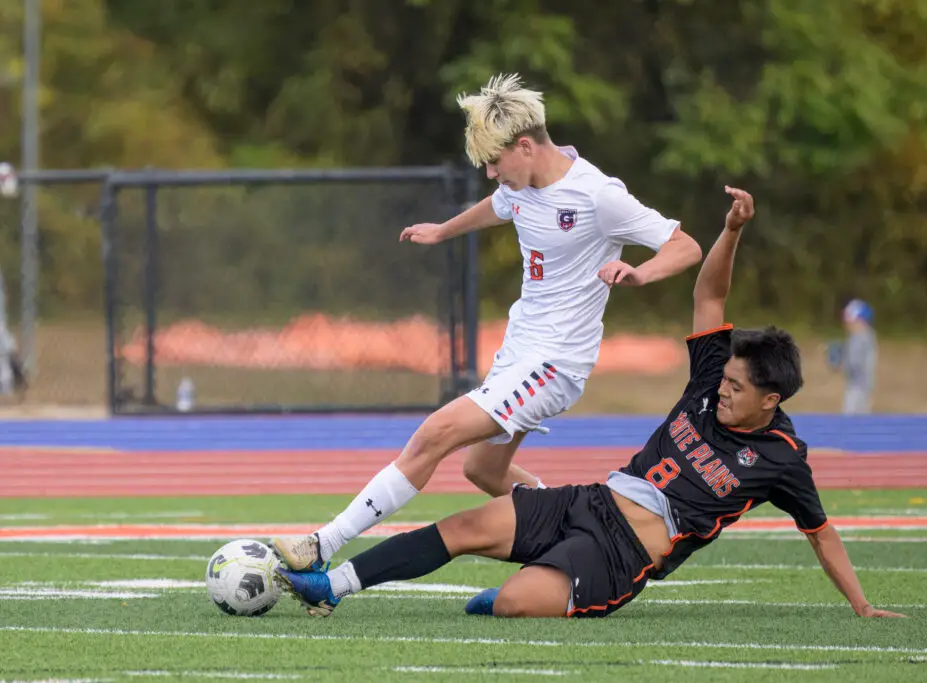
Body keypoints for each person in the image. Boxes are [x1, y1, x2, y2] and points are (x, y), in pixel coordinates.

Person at [274, 187, 906, 620]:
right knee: (463, 526)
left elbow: (821, 534)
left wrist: (862, 605)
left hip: (621, 555)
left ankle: (505, 597)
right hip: (591, 501)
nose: (722, 390)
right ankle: (333, 585)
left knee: (515, 603)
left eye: (737, 389)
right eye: (725, 379)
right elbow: (710, 298)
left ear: (772, 400)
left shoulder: (782, 456)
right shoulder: (713, 379)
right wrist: (732, 230)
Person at [271, 73, 702, 572]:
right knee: (483, 468)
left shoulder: (597, 195)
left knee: (435, 433)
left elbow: (685, 245)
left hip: (555, 361)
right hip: (519, 352)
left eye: (495, 162)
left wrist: (640, 271)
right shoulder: (521, 183)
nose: (492, 173)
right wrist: (444, 231)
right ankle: (592, 529)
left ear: (525, 146)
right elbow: (500, 207)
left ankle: (322, 544)